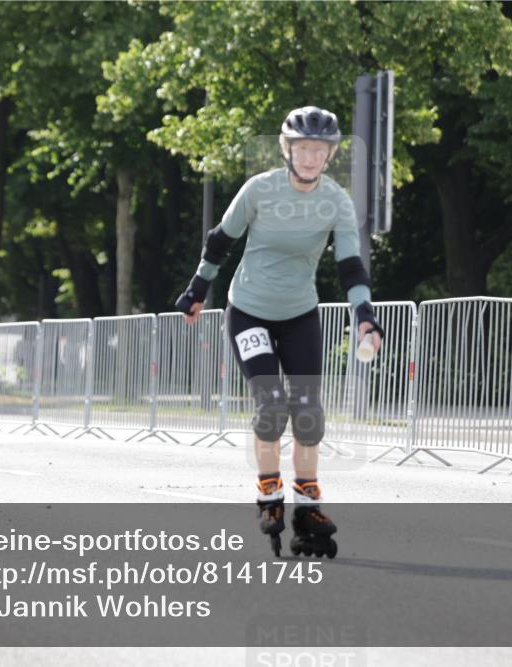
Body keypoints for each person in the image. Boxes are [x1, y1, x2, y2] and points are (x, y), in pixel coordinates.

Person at [175, 106, 384, 557]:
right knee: (271, 403)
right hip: (248, 310)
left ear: (329, 155)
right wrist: (197, 288)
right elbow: (220, 239)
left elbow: (350, 265)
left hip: (299, 315)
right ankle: (269, 493)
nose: (310, 157)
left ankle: (308, 505)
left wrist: (364, 314)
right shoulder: (260, 190)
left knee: (308, 413)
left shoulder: (337, 201)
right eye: (303, 148)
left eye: (319, 150)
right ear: (287, 149)